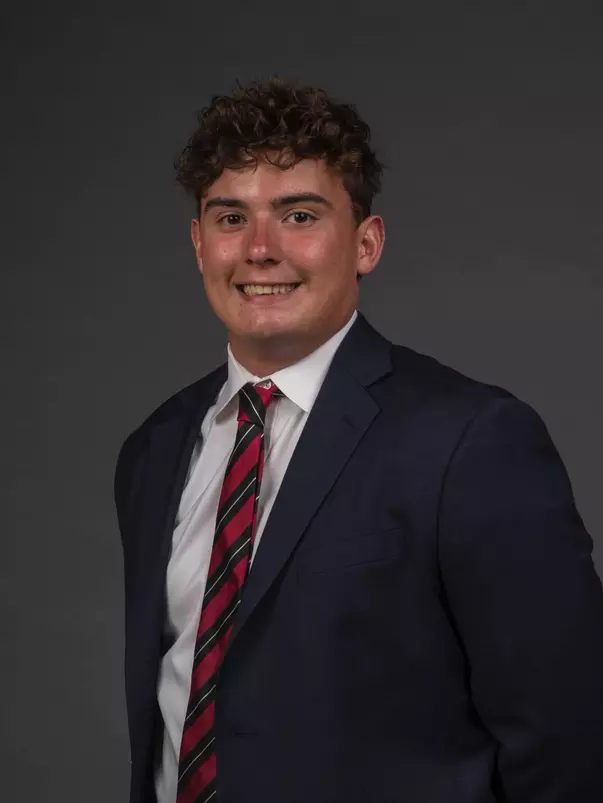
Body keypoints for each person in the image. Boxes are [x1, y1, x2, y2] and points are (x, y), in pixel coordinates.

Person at [114, 76, 603, 803]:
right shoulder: (154, 450)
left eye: (299, 214)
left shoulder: (470, 441)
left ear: (366, 243)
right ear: (197, 244)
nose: (259, 249)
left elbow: (570, 740)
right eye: (228, 218)